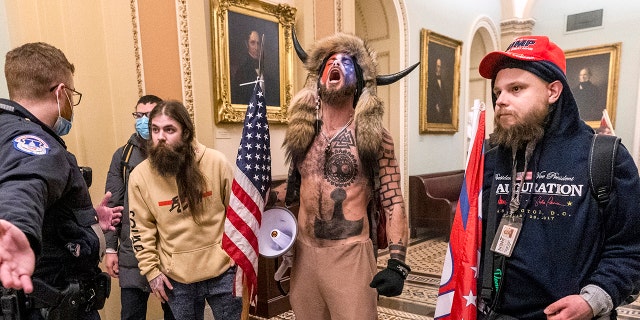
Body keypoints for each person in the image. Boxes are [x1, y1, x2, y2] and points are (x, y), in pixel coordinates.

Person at [477, 36, 640, 319]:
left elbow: (630, 248)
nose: (500, 101)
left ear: (553, 91)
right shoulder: (491, 157)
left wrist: (593, 300)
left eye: (516, 89)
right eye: (498, 91)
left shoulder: (604, 157)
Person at [283, 32, 416, 319]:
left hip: (350, 255)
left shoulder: (375, 137)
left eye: (347, 62)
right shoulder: (304, 133)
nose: (337, 65)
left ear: (359, 81)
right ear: (319, 77)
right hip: (304, 254)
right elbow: (297, 188)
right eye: (330, 61)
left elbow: (393, 201)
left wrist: (397, 264)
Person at [0, 42, 122, 319]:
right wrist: (18, 228)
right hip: (53, 306)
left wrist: (85, 220)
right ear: (61, 92)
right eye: (72, 95)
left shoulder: (5, 132)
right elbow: (24, 182)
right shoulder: (35, 143)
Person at [127, 100, 241, 319]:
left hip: (223, 269)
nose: (160, 137)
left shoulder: (216, 162)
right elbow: (140, 229)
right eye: (155, 130)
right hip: (176, 277)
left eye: (169, 130)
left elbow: (236, 214)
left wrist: (238, 257)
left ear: (186, 133)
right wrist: (151, 272)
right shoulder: (140, 177)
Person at [104, 94, 175, 320]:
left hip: (170, 250)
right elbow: (112, 205)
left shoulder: (175, 155)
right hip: (131, 252)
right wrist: (110, 249)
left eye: (148, 115)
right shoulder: (123, 156)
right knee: (132, 315)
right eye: (138, 115)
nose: (142, 120)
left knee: (175, 314)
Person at [230, 29, 279, 106]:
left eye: (258, 43)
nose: (256, 47)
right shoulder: (241, 72)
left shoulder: (267, 72)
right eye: (252, 43)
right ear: (247, 44)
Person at [427, 57, 452, 123]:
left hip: (443, 110)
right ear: (435, 67)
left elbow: (444, 97)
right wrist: (436, 105)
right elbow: (430, 96)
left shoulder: (443, 82)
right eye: (438, 66)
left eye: (440, 67)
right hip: (434, 111)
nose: (439, 69)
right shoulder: (431, 81)